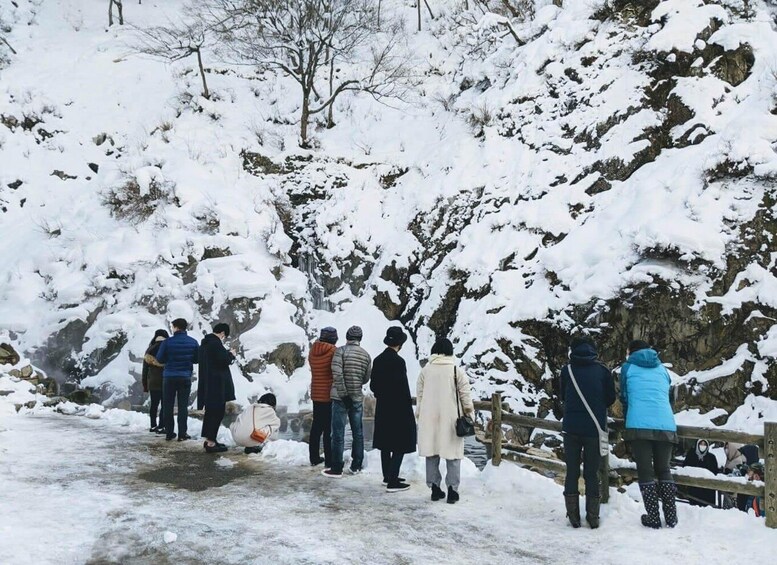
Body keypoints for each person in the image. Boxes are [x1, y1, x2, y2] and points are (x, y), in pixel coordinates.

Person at [558, 335, 615, 529]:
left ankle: (573, 517)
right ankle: (593, 517)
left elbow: (561, 395)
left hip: (571, 427)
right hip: (594, 429)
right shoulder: (602, 371)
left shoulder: (567, 370)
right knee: (592, 473)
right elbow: (610, 398)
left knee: (572, 472)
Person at [620, 339, 678, 528]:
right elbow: (669, 395)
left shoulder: (627, 368)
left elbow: (624, 397)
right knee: (664, 468)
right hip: (666, 423)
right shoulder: (662, 369)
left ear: (631, 351)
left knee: (645, 470)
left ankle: (653, 517)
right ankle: (671, 517)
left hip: (639, 424)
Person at [416, 337, 474, 504]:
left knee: (432, 454)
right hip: (451, 419)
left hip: (429, 419)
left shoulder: (425, 371)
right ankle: (452, 490)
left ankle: (434, 488)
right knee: (453, 455)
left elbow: (420, 395)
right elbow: (465, 396)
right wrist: (469, 414)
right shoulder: (456, 370)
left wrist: (420, 414)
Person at [370, 327, 416, 492]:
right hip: (398, 408)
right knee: (399, 443)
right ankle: (393, 480)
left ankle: (387, 475)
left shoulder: (378, 359)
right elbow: (403, 388)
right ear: (400, 343)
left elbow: (373, 385)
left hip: (383, 406)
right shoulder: (398, 362)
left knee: (385, 442)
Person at [322, 326, 371, 478]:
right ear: (360, 339)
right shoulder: (366, 355)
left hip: (339, 398)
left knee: (337, 433)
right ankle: (356, 464)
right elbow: (366, 378)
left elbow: (336, 373)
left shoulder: (340, 351)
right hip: (356, 397)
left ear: (347, 337)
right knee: (358, 432)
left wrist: (343, 395)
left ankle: (337, 467)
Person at [156, 318, 199, 442]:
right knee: (182, 406)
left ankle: (169, 433)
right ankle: (182, 433)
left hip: (169, 377)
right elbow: (197, 359)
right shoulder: (193, 342)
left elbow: (159, 359)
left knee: (168, 406)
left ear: (175, 327)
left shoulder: (167, 342)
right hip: (185, 376)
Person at [197, 323, 236, 454]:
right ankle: (211, 443)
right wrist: (231, 354)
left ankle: (209, 440)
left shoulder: (205, 343)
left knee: (210, 413)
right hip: (217, 385)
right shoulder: (215, 343)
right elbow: (222, 360)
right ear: (223, 333)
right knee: (216, 413)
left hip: (208, 384)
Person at [308, 327, 338, 467]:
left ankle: (314, 457)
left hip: (316, 393)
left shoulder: (313, 350)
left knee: (316, 427)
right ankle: (329, 459)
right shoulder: (333, 351)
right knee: (328, 429)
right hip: (328, 394)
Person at [142, 329, 169, 433]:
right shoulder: (168, 348)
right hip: (167, 380)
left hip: (153, 381)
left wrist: (145, 384)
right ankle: (162, 425)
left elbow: (144, 370)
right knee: (165, 404)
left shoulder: (150, 349)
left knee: (154, 404)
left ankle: (153, 425)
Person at [681, 439, 719, 506]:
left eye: (704, 444)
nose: (702, 446)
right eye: (701, 444)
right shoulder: (691, 455)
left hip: (707, 492)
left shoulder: (711, 458)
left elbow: (715, 472)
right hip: (693, 489)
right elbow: (685, 468)